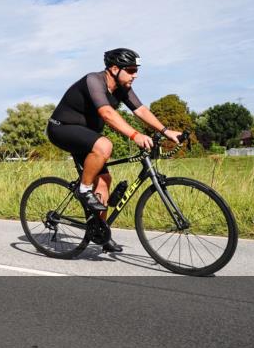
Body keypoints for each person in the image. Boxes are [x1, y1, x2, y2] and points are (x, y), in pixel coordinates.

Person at [47, 48, 181, 253]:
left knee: (104, 181)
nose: (135, 74)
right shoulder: (94, 81)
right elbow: (107, 113)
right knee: (105, 145)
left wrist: (166, 131)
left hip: (85, 135)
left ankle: (100, 232)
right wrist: (136, 135)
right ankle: (83, 190)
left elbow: (141, 110)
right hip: (62, 128)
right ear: (114, 68)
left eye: (136, 70)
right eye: (131, 70)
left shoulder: (122, 87)